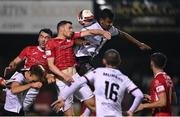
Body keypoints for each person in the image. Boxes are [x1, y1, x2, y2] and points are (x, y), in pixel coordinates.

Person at [45, 20, 111, 116]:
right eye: (69, 28)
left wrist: (103, 32)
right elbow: (51, 65)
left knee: (93, 105)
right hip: (62, 81)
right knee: (69, 115)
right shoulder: (51, 43)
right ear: (62, 29)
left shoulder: (71, 37)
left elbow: (90, 32)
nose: (72, 30)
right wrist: (64, 76)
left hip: (76, 78)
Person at [51, 49, 143, 116]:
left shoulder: (98, 72)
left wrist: (63, 97)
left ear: (103, 61)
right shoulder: (124, 78)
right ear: (119, 62)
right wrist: (131, 111)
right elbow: (139, 95)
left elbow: (78, 82)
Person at [75, 9, 151, 76]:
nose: (111, 24)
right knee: (95, 79)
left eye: (112, 22)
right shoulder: (91, 28)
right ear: (101, 21)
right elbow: (75, 40)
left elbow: (123, 34)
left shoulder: (110, 29)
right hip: (80, 59)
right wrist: (83, 42)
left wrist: (139, 44)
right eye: (109, 22)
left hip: (88, 59)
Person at [3, 28, 55, 112]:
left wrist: (50, 76)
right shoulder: (29, 49)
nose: (43, 40)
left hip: (35, 83)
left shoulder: (52, 55)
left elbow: (51, 71)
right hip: (24, 76)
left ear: (50, 40)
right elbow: (15, 62)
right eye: (41, 37)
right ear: (38, 38)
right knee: (12, 101)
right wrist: (11, 66)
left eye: (46, 38)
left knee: (23, 108)